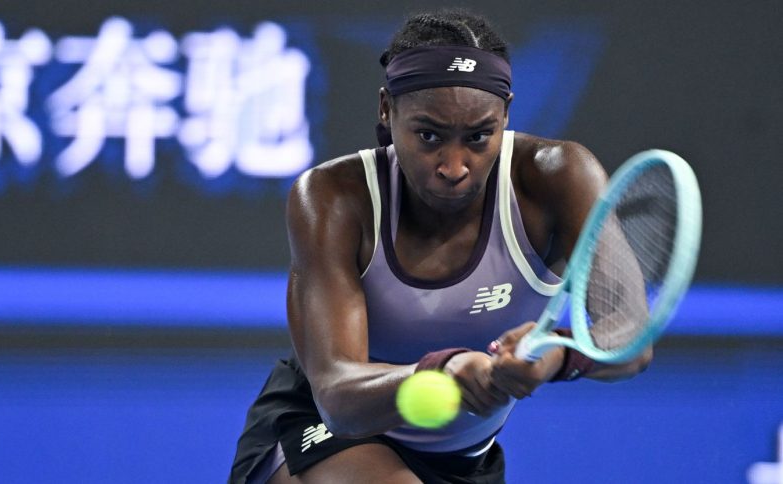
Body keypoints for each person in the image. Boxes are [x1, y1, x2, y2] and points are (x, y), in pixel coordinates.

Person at [230, 8, 652, 484]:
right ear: (387, 109)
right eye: (429, 135)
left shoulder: (560, 176)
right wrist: (442, 369)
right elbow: (338, 398)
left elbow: (632, 341)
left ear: (506, 113)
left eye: (478, 137)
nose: (454, 166)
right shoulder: (332, 197)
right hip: (324, 433)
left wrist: (559, 353)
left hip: (465, 459)